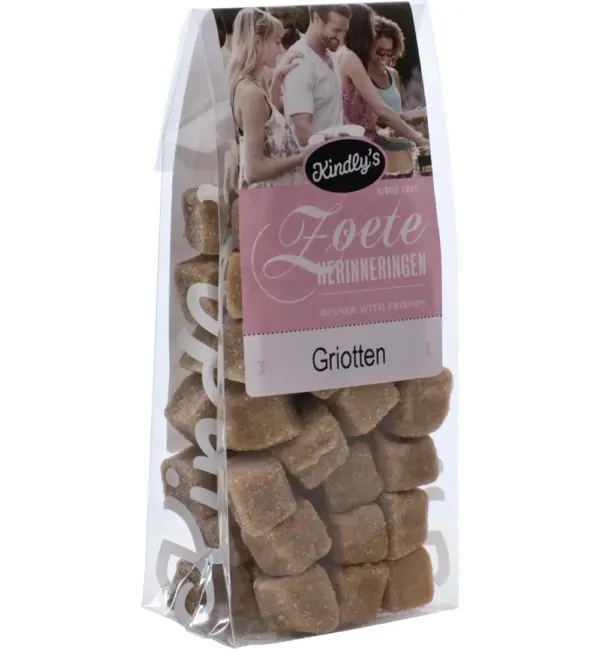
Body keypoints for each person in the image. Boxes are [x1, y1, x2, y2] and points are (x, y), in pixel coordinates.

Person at [228, 8, 309, 188]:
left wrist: (278, 77)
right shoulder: (252, 95)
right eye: (277, 42)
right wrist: (301, 158)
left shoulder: (248, 84)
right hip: (269, 198)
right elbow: (254, 170)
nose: (280, 49)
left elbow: (267, 120)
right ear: (258, 42)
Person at [337, 5, 427, 145]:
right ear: (363, 29)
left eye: (389, 53)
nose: (374, 32)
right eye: (372, 27)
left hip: (370, 141)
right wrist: (419, 138)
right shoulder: (350, 58)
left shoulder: (345, 55)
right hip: (363, 144)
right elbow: (380, 111)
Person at [282, 5, 352, 146]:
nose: (341, 38)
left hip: (334, 154)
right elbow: (302, 130)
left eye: (344, 32)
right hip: (314, 156)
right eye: (336, 31)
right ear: (316, 19)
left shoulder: (330, 54)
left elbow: (332, 111)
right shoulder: (300, 61)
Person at [370, 16, 426, 120]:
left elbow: (398, 111)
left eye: (389, 53)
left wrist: (414, 115)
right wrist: (410, 114)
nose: (384, 58)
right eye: (380, 52)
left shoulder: (393, 74)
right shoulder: (362, 75)